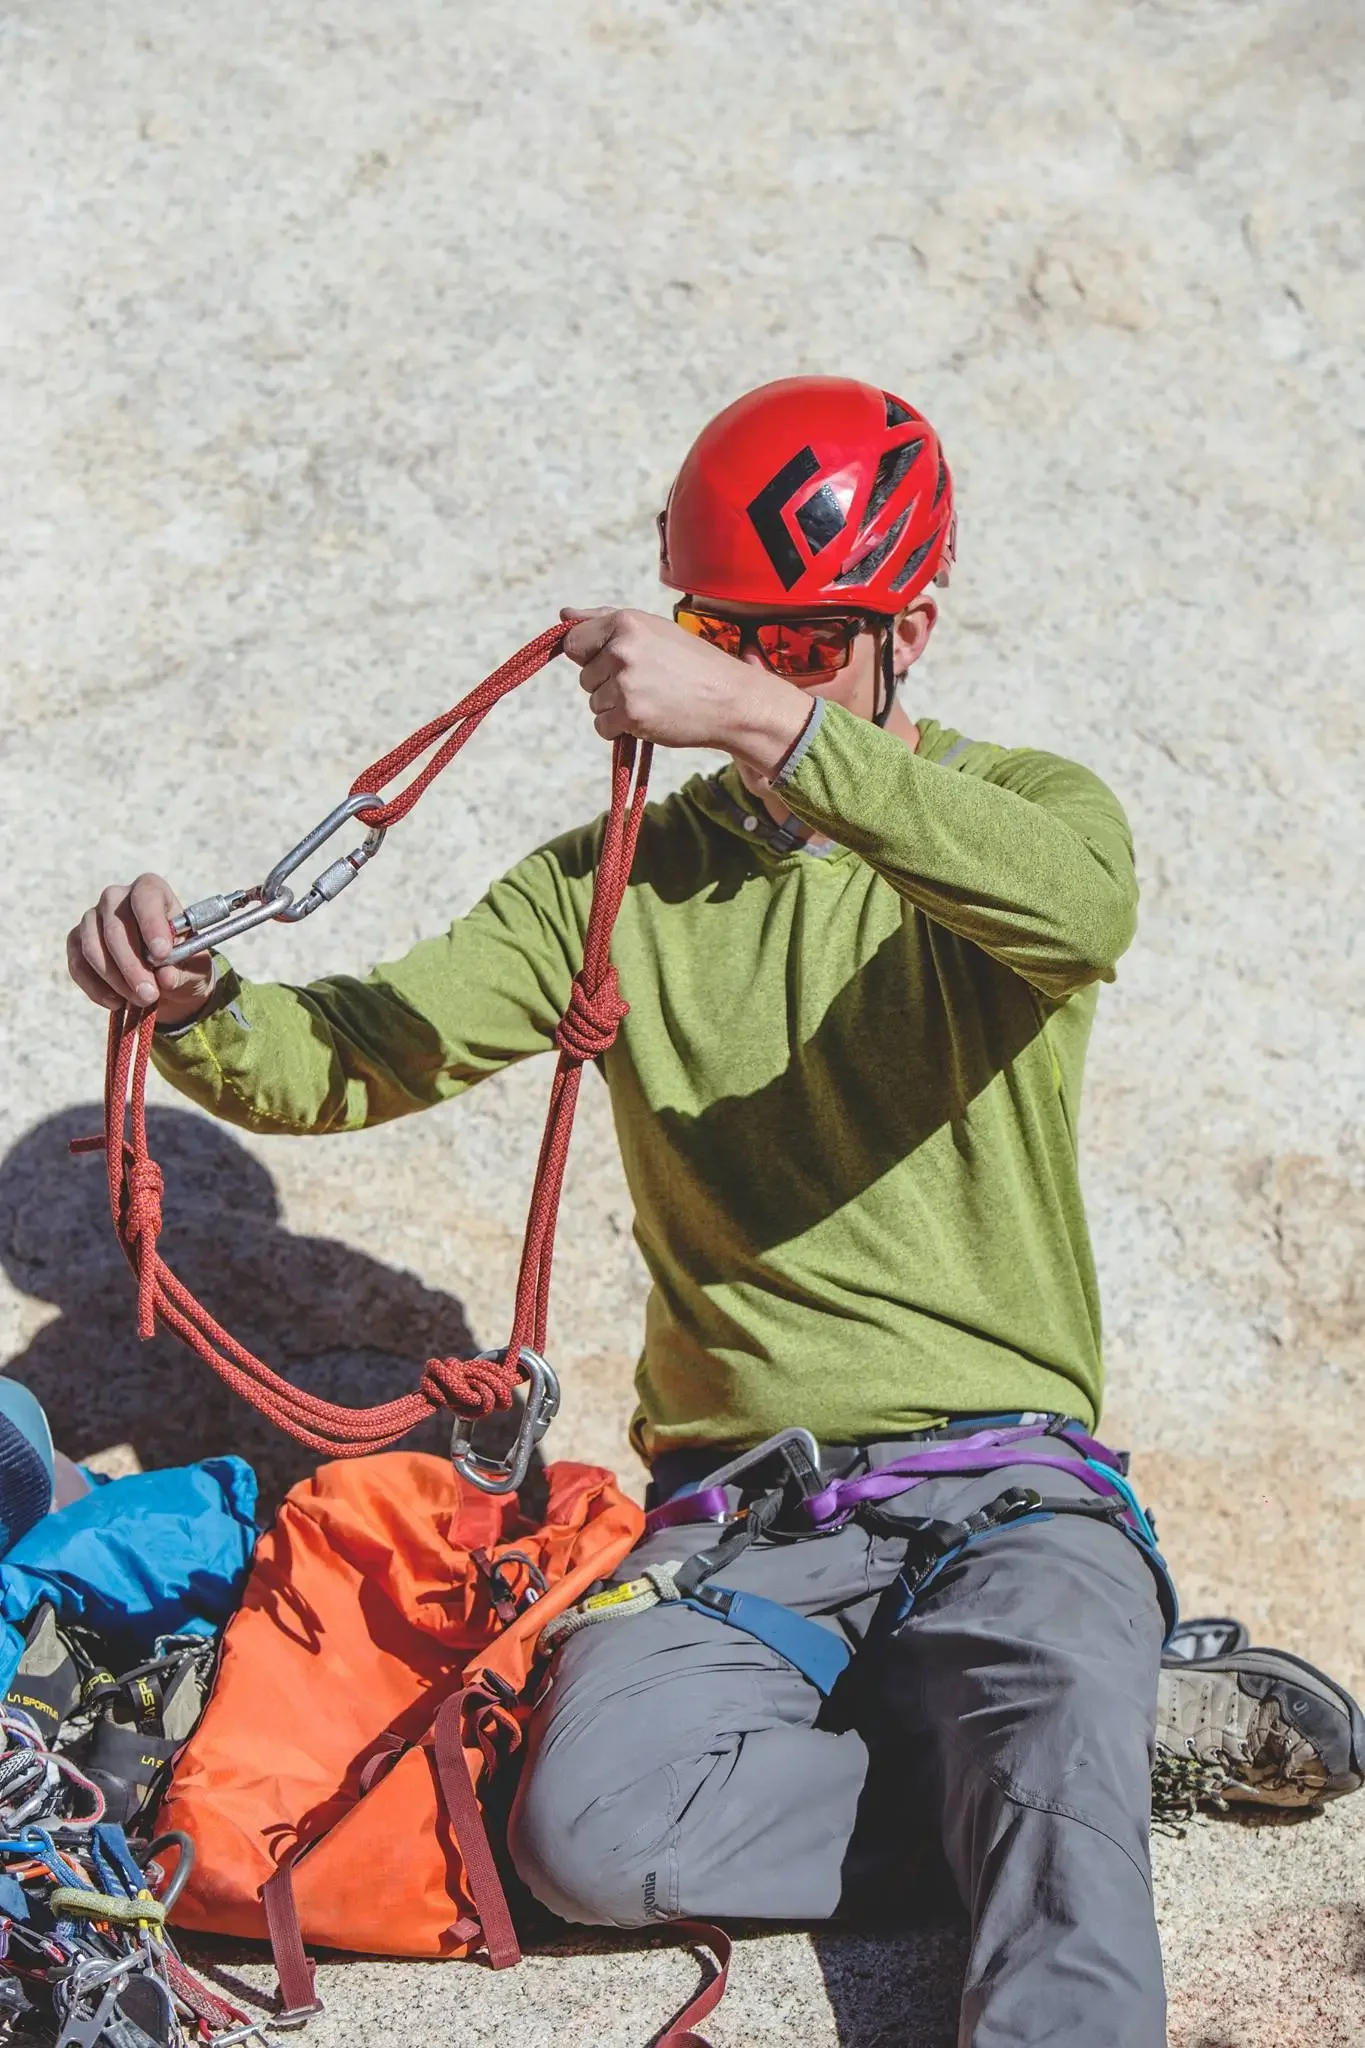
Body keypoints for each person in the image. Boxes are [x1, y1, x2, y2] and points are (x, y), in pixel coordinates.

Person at [66, 378, 1362, 2046]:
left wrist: (765, 722)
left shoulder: (1024, 819)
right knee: (587, 1835)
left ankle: (1057, 1772)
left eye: (807, 646)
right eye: (717, 631)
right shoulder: (606, 886)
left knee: (1048, 1788)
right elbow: (361, 1054)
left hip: (1010, 1498)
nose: (755, 670)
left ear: (913, 632)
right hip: (743, 1524)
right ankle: (1069, 1775)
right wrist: (198, 1003)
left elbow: (1081, 910)